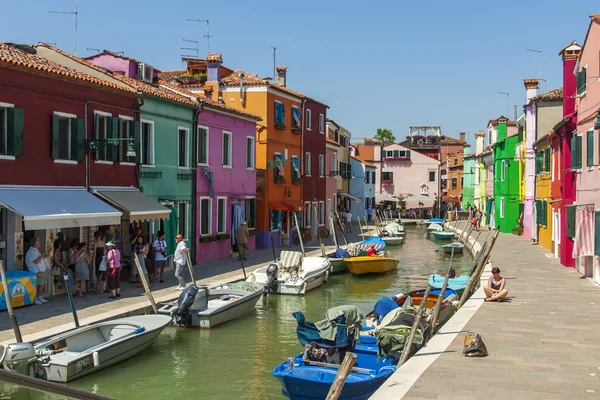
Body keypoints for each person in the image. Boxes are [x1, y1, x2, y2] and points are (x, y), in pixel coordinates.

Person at [25, 237, 51, 305]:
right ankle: (35, 298)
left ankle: (39, 296)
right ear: (35, 244)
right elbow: (36, 261)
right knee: (36, 285)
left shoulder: (36, 250)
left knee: (41, 284)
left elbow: (41, 258)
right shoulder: (32, 252)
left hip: (41, 269)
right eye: (39, 243)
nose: (40, 244)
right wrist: (42, 255)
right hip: (36, 270)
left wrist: (45, 254)